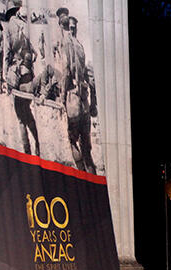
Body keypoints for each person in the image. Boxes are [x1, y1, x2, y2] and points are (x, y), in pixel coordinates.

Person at [61, 15, 97, 173]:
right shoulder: (81, 47)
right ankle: (92, 180)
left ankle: (82, 178)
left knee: (73, 141)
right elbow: (90, 77)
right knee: (86, 146)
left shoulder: (66, 44)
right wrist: (93, 102)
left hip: (73, 98)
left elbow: (65, 71)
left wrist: (62, 98)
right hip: (85, 101)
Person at [3, 0, 40, 155]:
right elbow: (35, 53)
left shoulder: (8, 28)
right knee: (28, 112)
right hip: (28, 76)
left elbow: (7, 54)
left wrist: (6, 76)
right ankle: (38, 144)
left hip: (16, 77)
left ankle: (27, 152)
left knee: (20, 118)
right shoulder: (25, 26)